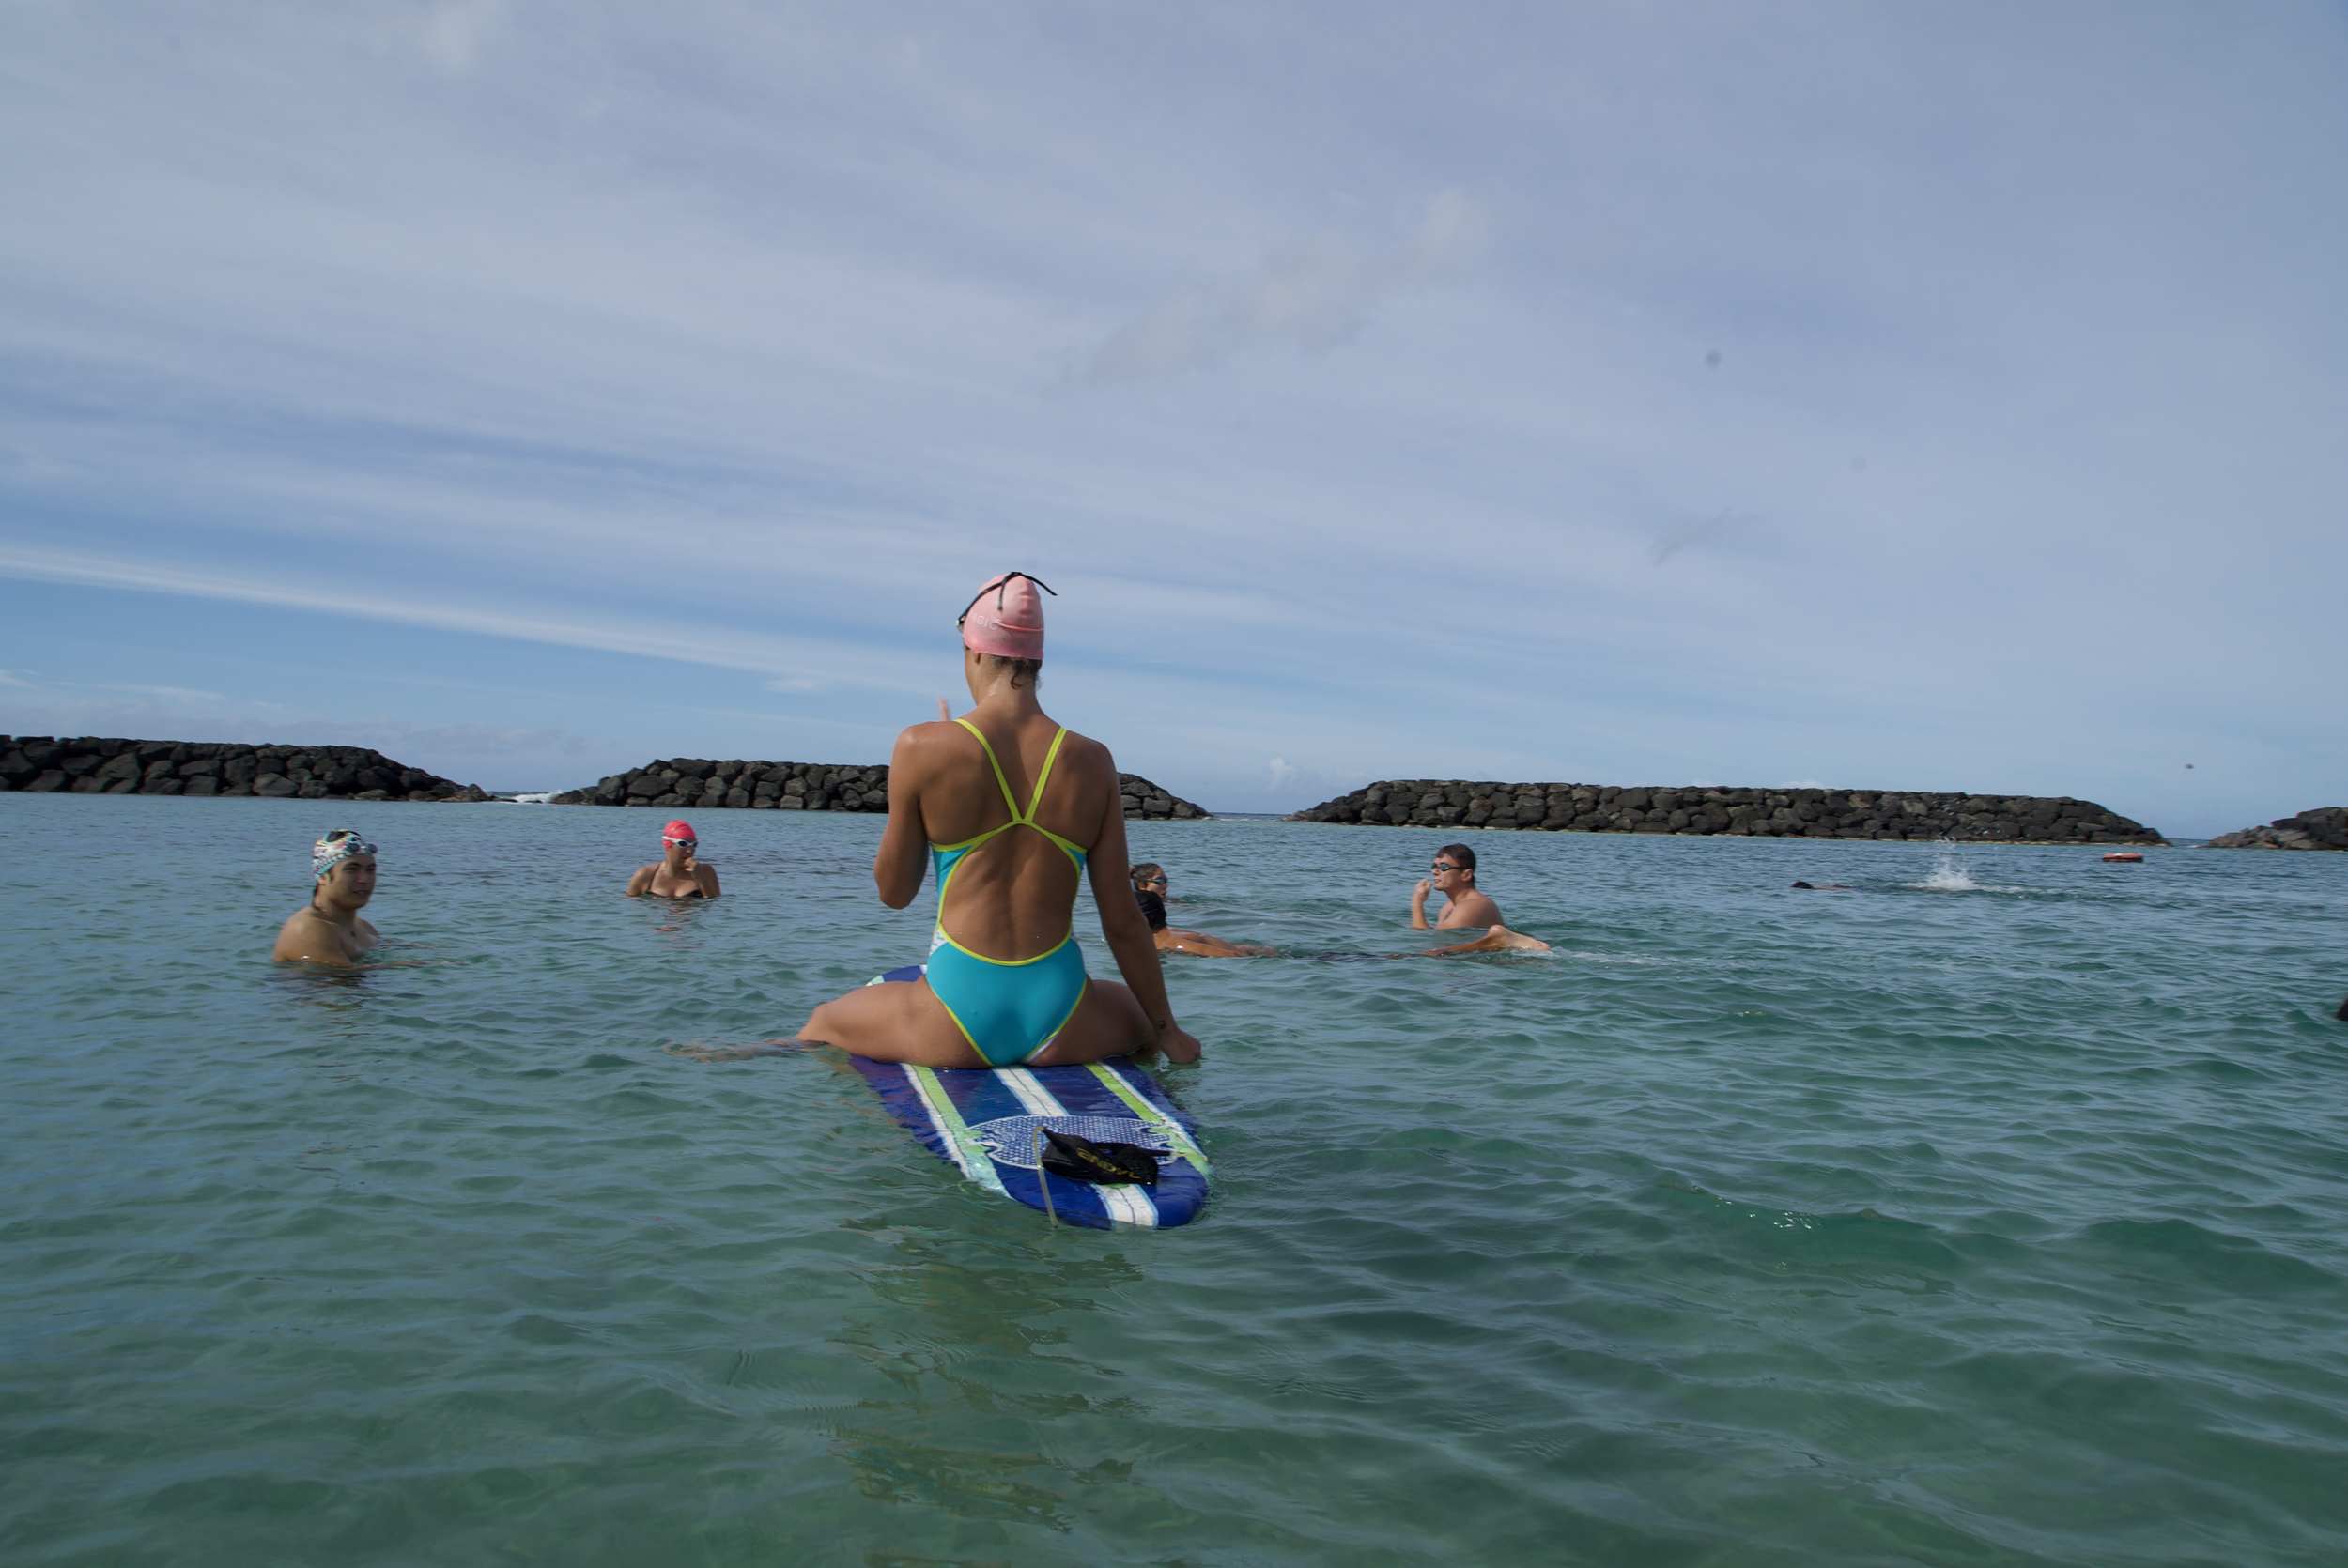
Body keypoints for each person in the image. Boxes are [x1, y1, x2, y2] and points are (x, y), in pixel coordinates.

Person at [793, 571, 1202, 1068]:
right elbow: (1121, 921)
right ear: (1037, 659)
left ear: (978, 652)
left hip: (950, 1023)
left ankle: (756, 1053)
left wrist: (927, 772)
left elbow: (894, 893)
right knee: (1135, 1021)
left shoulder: (921, 745)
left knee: (822, 1021)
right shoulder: (1094, 760)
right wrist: (1168, 1032)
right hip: (1065, 1019)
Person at [1410, 842, 1550, 954]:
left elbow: (1429, 939)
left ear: (1466, 875)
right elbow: (1434, 933)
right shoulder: (1450, 906)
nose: (1435, 871)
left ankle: (1501, 939)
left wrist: (1417, 903)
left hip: (1502, 958)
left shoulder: (1471, 906)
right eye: (1434, 866)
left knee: (1432, 955)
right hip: (1483, 949)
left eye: (1444, 867)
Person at [272, 829, 381, 965]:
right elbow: (345, 978)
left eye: (370, 870)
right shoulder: (308, 929)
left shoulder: (362, 927)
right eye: (351, 869)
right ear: (323, 877)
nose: (364, 879)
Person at [1131, 863, 1267, 958]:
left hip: (1246, 954)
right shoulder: (1170, 935)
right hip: (1245, 948)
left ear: (1143, 920)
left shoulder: (1171, 944)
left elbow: (1234, 955)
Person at [628, 820, 720, 898]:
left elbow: (714, 904)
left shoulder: (705, 872)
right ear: (668, 845)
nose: (689, 850)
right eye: (683, 844)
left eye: (694, 845)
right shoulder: (645, 875)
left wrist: (700, 878)